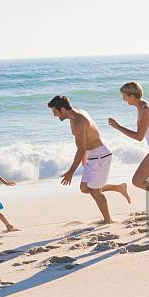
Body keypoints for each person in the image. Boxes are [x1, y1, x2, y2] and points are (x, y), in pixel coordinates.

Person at [48, 95, 130, 224]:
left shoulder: (78, 122)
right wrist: (86, 155)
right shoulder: (76, 113)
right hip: (93, 155)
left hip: (100, 156)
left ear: (62, 109)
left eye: (55, 112)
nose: (54, 115)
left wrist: (71, 172)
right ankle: (119, 188)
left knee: (96, 192)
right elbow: (90, 136)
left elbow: (80, 148)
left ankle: (108, 221)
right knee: (85, 188)